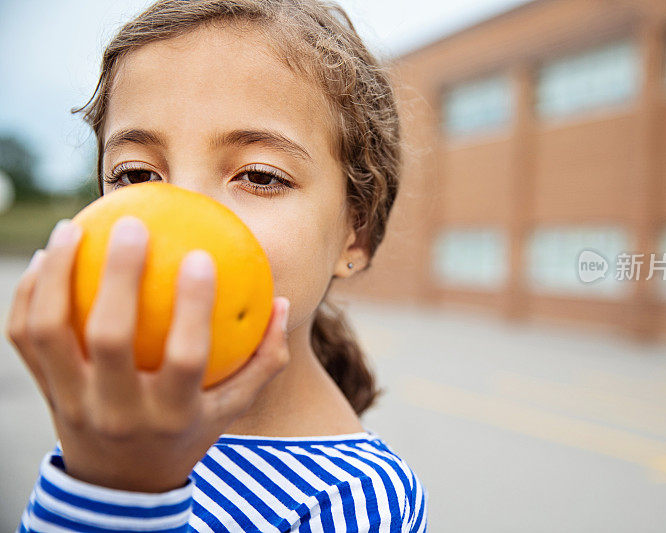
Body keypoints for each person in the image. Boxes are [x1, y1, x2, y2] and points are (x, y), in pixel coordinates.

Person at [4, 0, 428, 530]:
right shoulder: (115, 409)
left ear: (355, 234)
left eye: (261, 175)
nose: (178, 219)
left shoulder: (357, 500)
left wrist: (121, 493)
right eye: (136, 175)